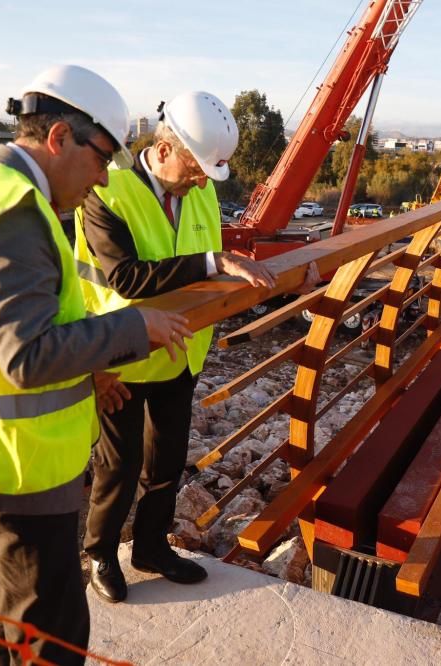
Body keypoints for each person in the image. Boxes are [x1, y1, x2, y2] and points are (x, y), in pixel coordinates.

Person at [0, 65, 194, 666]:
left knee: (20, 623)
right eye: (101, 157)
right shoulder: (17, 212)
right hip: (8, 460)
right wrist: (135, 327)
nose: (104, 177)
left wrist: (90, 367)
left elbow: (9, 337)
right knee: (49, 632)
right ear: (57, 138)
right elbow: (25, 355)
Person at [76, 90, 318, 603]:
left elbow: (228, 259)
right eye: (198, 167)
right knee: (116, 468)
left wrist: (290, 273)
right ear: (165, 149)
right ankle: (99, 552)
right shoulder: (106, 192)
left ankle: (150, 549)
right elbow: (126, 277)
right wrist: (213, 262)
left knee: (165, 465)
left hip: (180, 353)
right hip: (119, 358)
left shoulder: (200, 191)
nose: (204, 180)